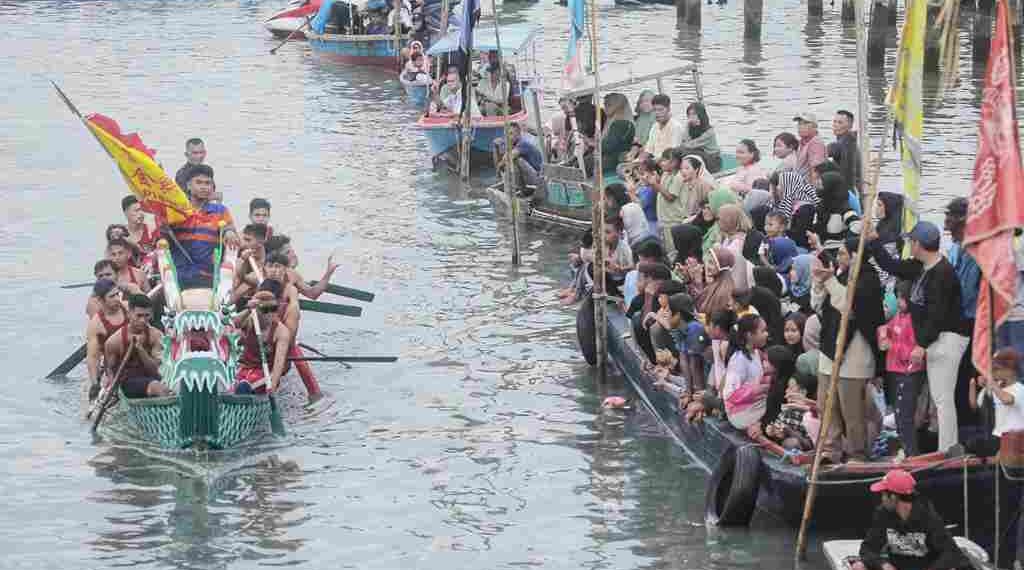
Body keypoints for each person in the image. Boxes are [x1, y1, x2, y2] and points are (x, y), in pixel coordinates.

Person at [868, 221, 969, 453]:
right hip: (934, 338)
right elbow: (892, 266)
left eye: (911, 241)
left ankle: (947, 450)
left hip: (948, 337)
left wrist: (921, 345)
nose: (909, 245)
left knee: (942, 397)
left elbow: (938, 314)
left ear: (919, 244)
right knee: (939, 396)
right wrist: (874, 241)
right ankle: (945, 448)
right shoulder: (919, 267)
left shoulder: (943, 273)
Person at [813, 235, 885, 462]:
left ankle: (857, 453)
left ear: (856, 255)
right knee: (826, 404)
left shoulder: (868, 279)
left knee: (852, 409)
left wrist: (831, 282)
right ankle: (830, 449)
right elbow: (818, 306)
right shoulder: (841, 274)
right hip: (829, 348)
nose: (839, 257)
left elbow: (848, 307)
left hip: (854, 353)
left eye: (843, 253)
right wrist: (819, 283)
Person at [852, 469, 970, 570]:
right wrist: (883, 564)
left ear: (893, 497)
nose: (882, 499)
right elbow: (867, 549)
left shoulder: (927, 516)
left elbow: (951, 553)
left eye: (883, 494)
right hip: (898, 567)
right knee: (858, 566)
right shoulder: (883, 514)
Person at [169, 165, 240, 289]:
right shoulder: (176, 210)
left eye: (208, 183)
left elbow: (230, 229)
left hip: (208, 279)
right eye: (199, 182)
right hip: (177, 277)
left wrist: (229, 232)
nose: (204, 187)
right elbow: (162, 236)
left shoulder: (220, 211)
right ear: (188, 186)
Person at [878, 280, 927, 456]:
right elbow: (885, 330)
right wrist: (883, 334)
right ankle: (906, 450)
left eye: (902, 298)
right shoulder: (898, 317)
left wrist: (891, 345)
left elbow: (913, 351)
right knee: (899, 416)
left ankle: (912, 453)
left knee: (906, 415)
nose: (899, 302)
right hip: (895, 371)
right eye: (897, 297)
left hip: (910, 372)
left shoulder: (915, 320)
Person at [102, 294, 169, 398]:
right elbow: (110, 370)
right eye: (139, 315)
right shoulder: (113, 341)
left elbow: (155, 369)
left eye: (147, 316)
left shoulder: (156, 336)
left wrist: (140, 349)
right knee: (158, 387)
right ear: (129, 314)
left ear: (151, 314)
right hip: (128, 382)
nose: (143, 320)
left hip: (152, 376)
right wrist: (113, 390)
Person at [233, 280, 293, 394]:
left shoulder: (281, 332)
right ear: (257, 309)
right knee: (234, 384)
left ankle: (245, 391)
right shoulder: (251, 319)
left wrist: (273, 386)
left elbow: (278, 366)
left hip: (265, 373)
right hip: (244, 368)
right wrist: (248, 309)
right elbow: (234, 323)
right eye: (265, 309)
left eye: (273, 308)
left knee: (245, 387)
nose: (270, 314)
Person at [968, 347, 1024, 457]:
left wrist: (991, 383)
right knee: (972, 443)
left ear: (1010, 370)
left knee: (975, 445)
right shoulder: (996, 387)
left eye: (996, 369)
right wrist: (972, 384)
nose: (993, 372)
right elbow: (974, 405)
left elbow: (1007, 399)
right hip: (998, 437)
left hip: (1015, 439)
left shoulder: (1019, 388)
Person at [723, 314, 771, 430]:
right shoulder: (738, 359)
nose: (767, 334)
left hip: (751, 405)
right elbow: (729, 395)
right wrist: (759, 390)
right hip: (740, 413)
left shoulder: (756, 353)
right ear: (749, 335)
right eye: (763, 331)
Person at [85, 279, 127, 400]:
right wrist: (94, 383)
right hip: (114, 367)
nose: (117, 299)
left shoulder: (128, 308)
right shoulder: (95, 325)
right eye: (112, 296)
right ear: (100, 300)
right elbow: (93, 357)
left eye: (117, 294)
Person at [651, 149, 689, 258]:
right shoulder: (666, 174)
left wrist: (656, 185)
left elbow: (670, 197)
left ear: (674, 162)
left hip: (673, 220)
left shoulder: (679, 177)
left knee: (673, 251)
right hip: (663, 219)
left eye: (664, 160)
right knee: (666, 249)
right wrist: (654, 183)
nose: (661, 163)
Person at [813, 171, 861, 253]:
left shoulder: (844, 210)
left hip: (838, 253)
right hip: (821, 250)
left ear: (830, 188)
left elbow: (858, 225)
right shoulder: (821, 208)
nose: (818, 189)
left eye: (821, 186)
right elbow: (815, 228)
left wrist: (845, 242)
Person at [495, 122, 543, 196]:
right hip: (528, 178)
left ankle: (518, 189)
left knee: (515, 160)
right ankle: (518, 189)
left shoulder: (523, 143)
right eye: (506, 135)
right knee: (508, 163)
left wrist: (499, 166)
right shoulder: (513, 145)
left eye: (511, 134)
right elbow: (501, 163)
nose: (508, 137)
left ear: (518, 134)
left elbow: (508, 158)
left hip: (537, 179)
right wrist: (496, 148)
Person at [691, 246, 736, 316]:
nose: (707, 266)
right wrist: (697, 283)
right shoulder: (715, 283)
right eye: (708, 262)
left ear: (721, 265)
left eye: (711, 263)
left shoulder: (724, 290)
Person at [679, 102, 721, 173]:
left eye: (694, 114)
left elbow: (690, 145)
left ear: (700, 115)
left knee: (686, 153)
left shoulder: (709, 132)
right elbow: (684, 141)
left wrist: (687, 125)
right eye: (689, 114)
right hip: (699, 154)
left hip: (712, 160)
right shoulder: (691, 127)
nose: (691, 117)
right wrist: (688, 125)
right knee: (680, 152)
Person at [599, 92, 636, 172]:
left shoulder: (621, 123)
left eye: (608, 105)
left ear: (618, 107)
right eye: (605, 104)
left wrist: (593, 142)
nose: (605, 107)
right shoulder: (613, 121)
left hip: (614, 161)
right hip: (610, 158)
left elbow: (607, 146)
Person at [642, 94, 685, 160]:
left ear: (668, 109)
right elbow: (648, 149)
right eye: (655, 110)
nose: (657, 113)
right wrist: (637, 162)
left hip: (668, 164)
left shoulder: (676, 127)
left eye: (660, 110)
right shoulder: (655, 126)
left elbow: (672, 154)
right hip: (654, 162)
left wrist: (652, 163)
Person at [829, 109, 862, 193]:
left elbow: (825, 152)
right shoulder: (852, 141)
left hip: (845, 191)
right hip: (851, 188)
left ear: (850, 126)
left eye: (840, 123)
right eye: (834, 122)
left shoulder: (843, 144)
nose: (835, 125)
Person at [628, 157, 660, 233]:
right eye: (639, 174)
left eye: (642, 174)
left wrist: (631, 193)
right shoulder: (645, 186)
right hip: (645, 222)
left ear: (653, 173)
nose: (640, 177)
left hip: (652, 224)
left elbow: (640, 206)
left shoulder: (652, 189)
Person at [476, 51, 509, 116]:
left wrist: (488, 98)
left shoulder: (505, 84)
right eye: (493, 72)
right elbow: (478, 93)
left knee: (490, 106)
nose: (495, 74)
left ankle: (491, 125)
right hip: (484, 106)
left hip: (501, 108)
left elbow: (502, 100)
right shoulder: (484, 81)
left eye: (497, 72)